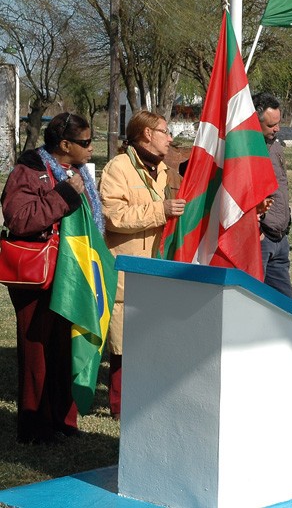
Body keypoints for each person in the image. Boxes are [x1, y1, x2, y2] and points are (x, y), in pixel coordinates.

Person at [1, 113, 101, 443]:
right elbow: (19, 218)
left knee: (63, 346)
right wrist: (64, 194)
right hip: (37, 276)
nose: (91, 148)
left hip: (71, 273)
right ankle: (36, 427)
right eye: (85, 143)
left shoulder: (79, 173)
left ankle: (63, 420)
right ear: (65, 144)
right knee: (37, 352)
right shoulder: (28, 169)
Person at [99, 111, 184, 419]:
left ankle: (150, 401)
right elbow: (112, 217)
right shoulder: (117, 168)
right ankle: (121, 407)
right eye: (165, 131)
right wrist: (159, 210)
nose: (170, 137)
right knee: (124, 343)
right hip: (130, 269)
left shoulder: (165, 171)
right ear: (147, 134)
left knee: (154, 339)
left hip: (161, 269)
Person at [254, 92, 292, 299]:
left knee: (286, 306)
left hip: (280, 238)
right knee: (253, 300)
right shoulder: (243, 151)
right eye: (271, 125)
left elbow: (281, 185)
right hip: (258, 240)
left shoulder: (276, 146)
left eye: (278, 123)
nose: (277, 129)